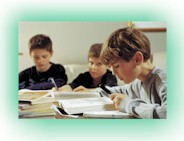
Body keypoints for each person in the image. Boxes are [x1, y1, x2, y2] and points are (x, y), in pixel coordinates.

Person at [78, 26, 166, 119]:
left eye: (116, 66)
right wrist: (90, 92)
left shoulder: (163, 80)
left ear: (137, 59)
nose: (113, 73)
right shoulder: (137, 84)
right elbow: (113, 91)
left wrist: (128, 104)